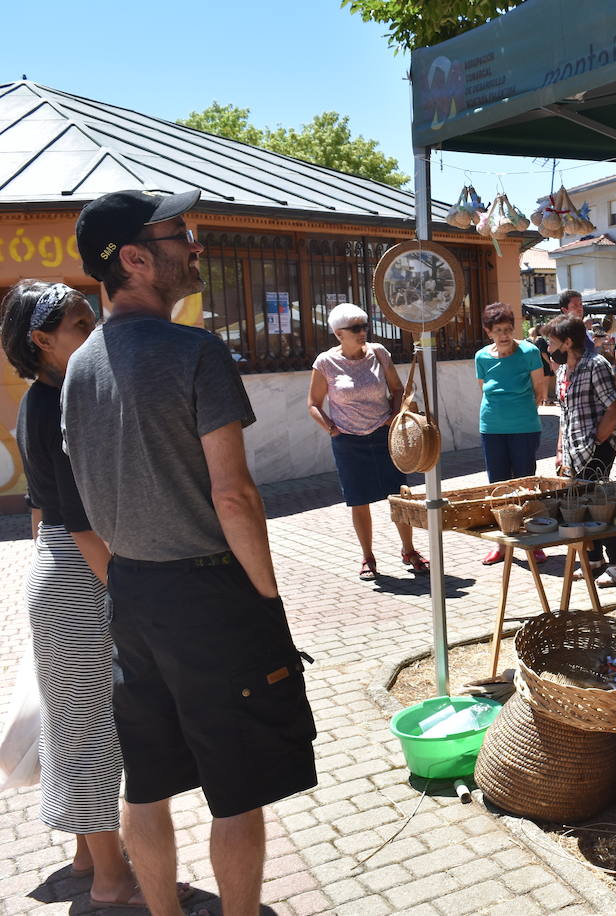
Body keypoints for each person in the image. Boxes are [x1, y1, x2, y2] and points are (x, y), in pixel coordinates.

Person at [64, 189, 317, 916]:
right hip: (209, 597)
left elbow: (83, 497)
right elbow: (233, 495)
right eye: (181, 233)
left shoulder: (80, 366)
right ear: (135, 259)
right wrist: (266, 597)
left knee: (146, 777)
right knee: (236, 787)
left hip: (133, 594)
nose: (195, 244)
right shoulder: (192, 352)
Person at [1, 280, 187, 910]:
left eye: (93, 318)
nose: (95, 332)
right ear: (42, 341)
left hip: (70, 568)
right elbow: (75, 519)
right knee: (88, 731)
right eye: (81, 326)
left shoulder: (58, 392)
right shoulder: (53, 403)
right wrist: (128, 592)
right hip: (82, 571)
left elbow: (41, 509)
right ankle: (112, 881)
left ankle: (89, 856)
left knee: (83, 724)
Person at [308, 303, 427, 581]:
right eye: (356, 328)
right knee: (358, 501)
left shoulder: (378, 353)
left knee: (398, 495)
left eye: (364, 326)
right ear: (339, 334)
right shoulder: (325, 362)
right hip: (348, 442)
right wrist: (331, 429)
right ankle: (368, 557)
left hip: (384, 436)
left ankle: (409, 550)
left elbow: (397, 388)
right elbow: (313, 403)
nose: (363, 332)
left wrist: (395, 414)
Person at [543, 315, 616, 587]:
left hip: (597, 447)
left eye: (552, 341)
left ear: (568, 342)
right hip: (572, 448)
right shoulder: (561, 371)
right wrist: (560, 449)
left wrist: (596, 442)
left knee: (598, 506)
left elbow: (614, 408)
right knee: (580, 504)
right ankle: (593, 559)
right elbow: (564, 414)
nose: (548, 346)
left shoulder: (596, 365)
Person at [475, 302, 547, 565]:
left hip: (524, 426)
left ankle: (534, 541)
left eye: (507, 329)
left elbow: (539, 388)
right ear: (488, 331)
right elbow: (484, 388)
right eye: (498, 330)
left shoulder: (529, 351)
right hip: (492, 427)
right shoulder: (481, 356)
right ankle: (503, 543)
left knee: (526, 485)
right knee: (498, 487)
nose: (504, 335)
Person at [529, 323, 556, 405]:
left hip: (538, 362)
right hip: (544, 363)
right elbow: (543, 353)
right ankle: (545, 400)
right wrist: (549, 363)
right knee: (545, 383)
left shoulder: (535, 340)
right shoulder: (541, 340)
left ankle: (543, 400)